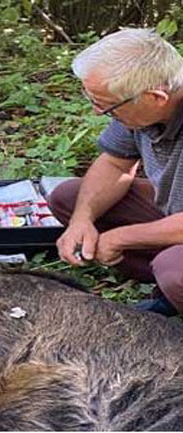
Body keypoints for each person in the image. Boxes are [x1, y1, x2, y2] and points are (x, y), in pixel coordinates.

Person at [47, 28, 183, 317]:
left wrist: (122, 238)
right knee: (69, 199)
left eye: (106, 106)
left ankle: (171, 285)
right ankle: (168, 289)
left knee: (175, 270)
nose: (98, 112)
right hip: (174, 213)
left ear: (155, 97)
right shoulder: (137, 106)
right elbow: (115, 164)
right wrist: (82, 219)